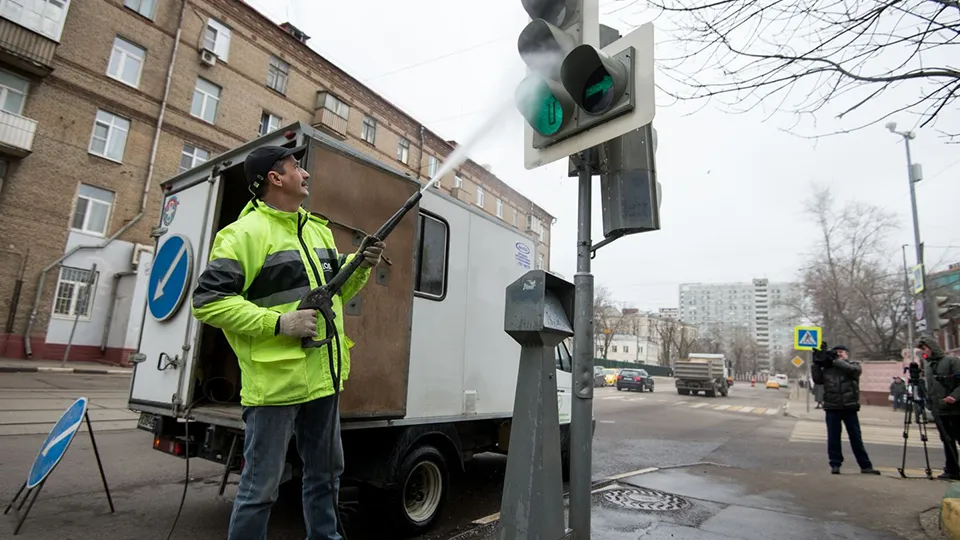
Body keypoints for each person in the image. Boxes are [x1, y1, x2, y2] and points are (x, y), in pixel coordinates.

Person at [191, 144, 385, 540]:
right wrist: (279, 324)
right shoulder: (242, 235)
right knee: (260, 489)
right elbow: (208, 302)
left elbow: (335, 294)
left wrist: (361, 265)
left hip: (322, 380)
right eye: (296, 166)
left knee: (326, 476)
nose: (305, 173)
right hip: (274, 387)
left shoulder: (317, 230)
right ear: (275, 178)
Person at [810, 344, 881, 475]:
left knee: (856, 438)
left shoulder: (854, 365)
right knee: (833, 438)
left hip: (850, 407)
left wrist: (835, 361)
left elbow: (853, 371)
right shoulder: (828, 368)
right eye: (836, 352)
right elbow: (817, 380)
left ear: (847, 354)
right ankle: (835, 464)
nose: (839, 354)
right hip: (832, 406)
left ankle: (865, 466)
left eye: (841, 352)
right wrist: (816, 363)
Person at [918, 335, 960, 481]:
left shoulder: (952, 361)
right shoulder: (928, 365)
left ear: (932, 348)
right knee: (947, 441)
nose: (924, 352)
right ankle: (952, 469)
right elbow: (930, 387)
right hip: (939, 410)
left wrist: (954, 396)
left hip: (955, 409)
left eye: (925, 349)